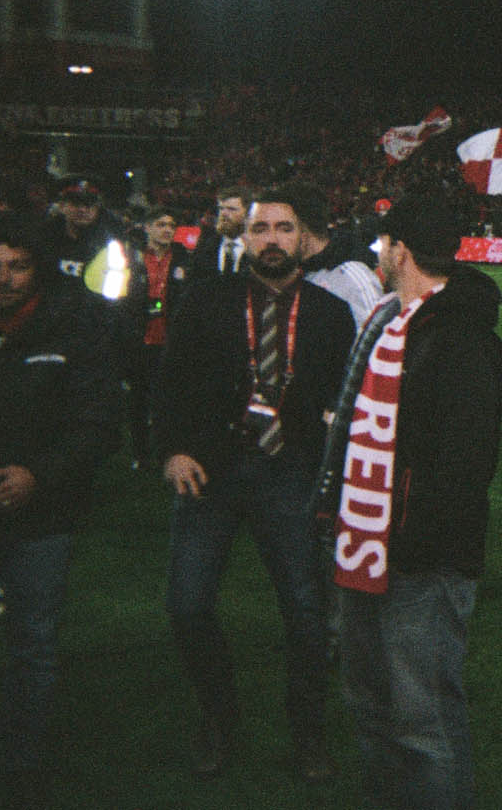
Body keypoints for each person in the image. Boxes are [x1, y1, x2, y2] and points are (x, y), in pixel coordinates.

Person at [152, 187, 355, 781]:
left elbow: (343, 400)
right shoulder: (207, 300)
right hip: (210, 470)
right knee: (188, 606)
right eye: (261, 228)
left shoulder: (329, 312)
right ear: (245, 237)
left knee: (306, 613)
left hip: (288, 473)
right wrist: (172, 451)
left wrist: (328, 455)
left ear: (303, 238)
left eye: (283, 229)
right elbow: (170, 381)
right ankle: (218, 717)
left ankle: (308, 732)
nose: (271, 239)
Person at [328, 193, 502, 810]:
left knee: (423, 720)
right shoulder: (389, 320)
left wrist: (409, 542)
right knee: (371, 705)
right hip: (364, 548)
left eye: (383, 244)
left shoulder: (459, 339)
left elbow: (464, 470)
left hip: (420, 562)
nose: (379, 254)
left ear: (399, 250)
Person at [0, 215, 121, 807]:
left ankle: (24, 769)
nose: (4, 278)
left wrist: (39, 475)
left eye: (17, 265)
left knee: (33, 646)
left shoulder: (74, 327)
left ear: (38, 268)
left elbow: (96, 422)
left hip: (41, 518)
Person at [121, 206, 192, 463]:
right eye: (161, 225)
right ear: (147, 227)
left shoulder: (183, 258)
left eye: (171, 226)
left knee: (170, 398)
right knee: (138, 399)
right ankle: (140, 453)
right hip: (140, 337)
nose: (167, 230)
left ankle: (167, 450)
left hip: (171, 339)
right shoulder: (132, 256)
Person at [287, 183, 384, 324]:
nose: (274, 238)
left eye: (283, 228)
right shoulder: (288, 275)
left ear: (302, 230)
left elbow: (375, 334)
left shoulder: (353, 279)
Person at [43, 176, 120, 288]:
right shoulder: (46, 240)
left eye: (89, 204)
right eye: (75, 203)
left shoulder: (111, 245)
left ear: (97, 208)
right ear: (62, 206)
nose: (82, 209)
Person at [188, 187, 250, 281]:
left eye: (231, 209)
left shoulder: (255, 250)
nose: (223, 213)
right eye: (221, 208)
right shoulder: (204, 248)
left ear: (247, 214)